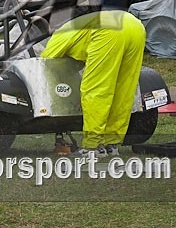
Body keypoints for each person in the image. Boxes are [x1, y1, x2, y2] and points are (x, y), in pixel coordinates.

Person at [41, 9, 145, 158]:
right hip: (135, 26)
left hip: (107, 31)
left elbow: (46, 63)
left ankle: (92, 147)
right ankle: (112, 143)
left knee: (96, 90)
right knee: (123, 91)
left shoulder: (60, 34)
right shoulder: (80, 25)